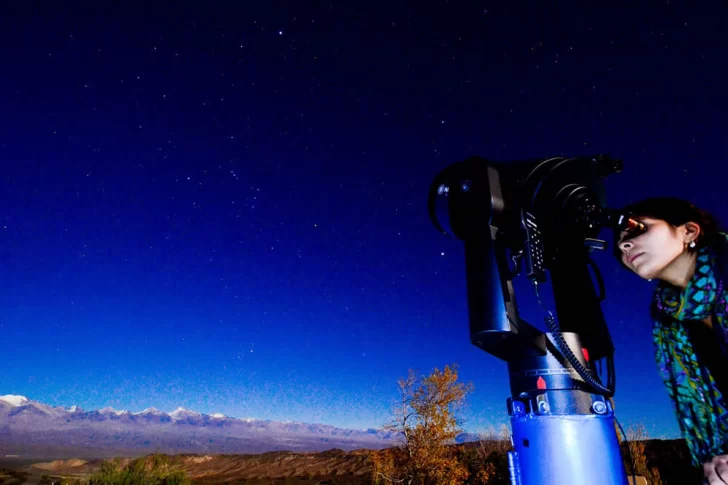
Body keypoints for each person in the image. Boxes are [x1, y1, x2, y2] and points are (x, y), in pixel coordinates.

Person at [614, 196, 728, 484]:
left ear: (689, 231)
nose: (623, 245)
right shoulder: (667, 320)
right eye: (620, 243)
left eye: (637, 229)